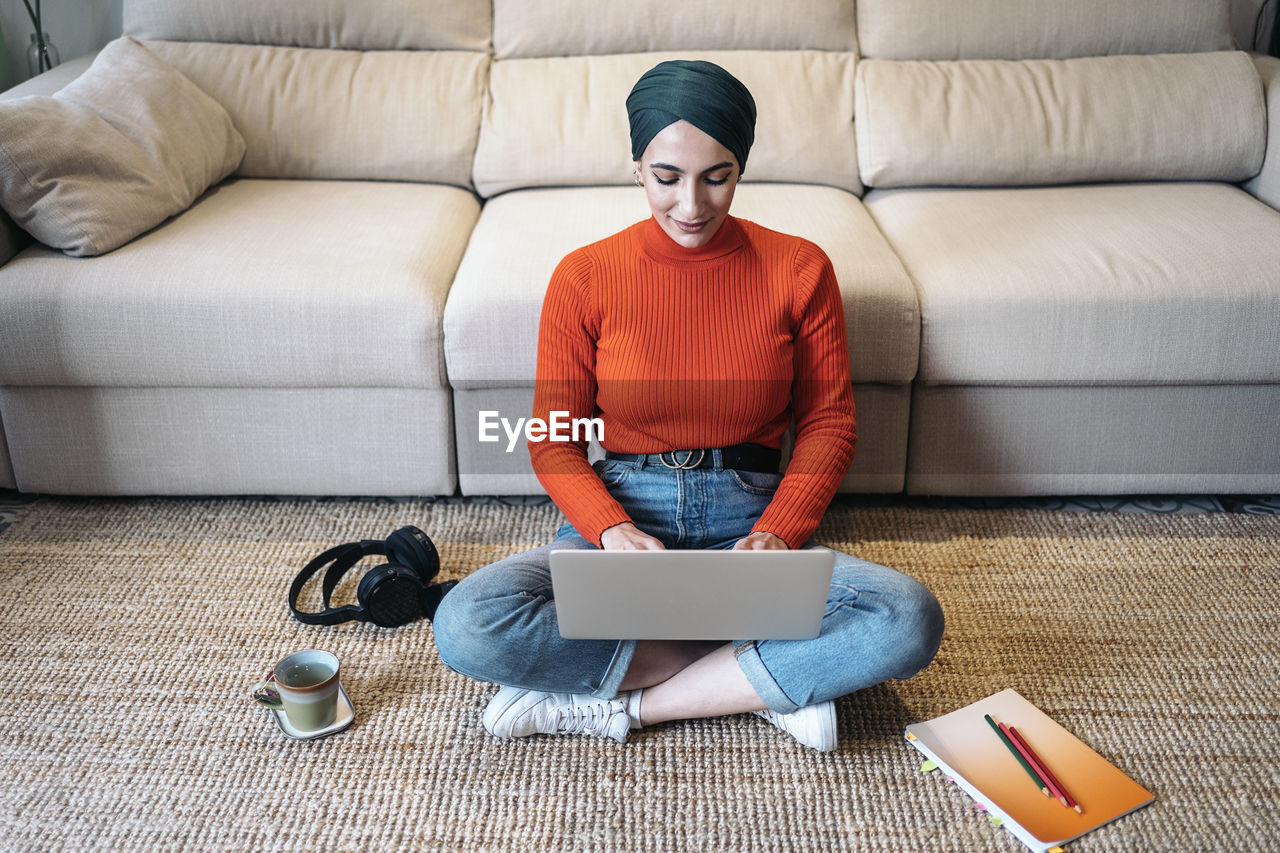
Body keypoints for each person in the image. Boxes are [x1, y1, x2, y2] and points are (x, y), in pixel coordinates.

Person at [432, 60, 943, 752]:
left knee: (908, 618)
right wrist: (611, 530)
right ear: (636, 166)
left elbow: (828, 422)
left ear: (743, 165)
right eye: (667, 177)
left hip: (751, 511)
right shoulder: (584, 275)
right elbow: (554, 439)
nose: (693, 205)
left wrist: (779, 533)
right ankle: (763, 679)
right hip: (621, 513)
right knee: (466, 622)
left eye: (717, 175)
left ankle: (631, 707)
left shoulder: (800, 267)